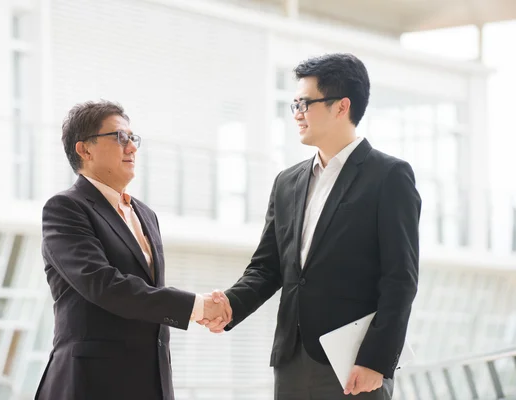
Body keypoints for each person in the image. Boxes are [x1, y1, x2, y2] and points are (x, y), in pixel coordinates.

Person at [202, 53, 421, 399]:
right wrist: (230, 304)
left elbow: (400, 279)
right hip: (291, 358)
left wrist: (377, 360)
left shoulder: (388, 176)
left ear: (341, 106)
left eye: (305, 103)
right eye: (293, 105)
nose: (297, 114)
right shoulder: (286, 182)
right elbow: (267, 267)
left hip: (352, 364)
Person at [35, 100, 228, 400]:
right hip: (89, 384)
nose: (132, 148)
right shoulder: (66, 209)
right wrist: (198, 307)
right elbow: (104, 285)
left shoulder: (145, 215)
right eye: (119, 138)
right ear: (84, 150)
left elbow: (147, 299)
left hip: (150, 383)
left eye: (132, 139)